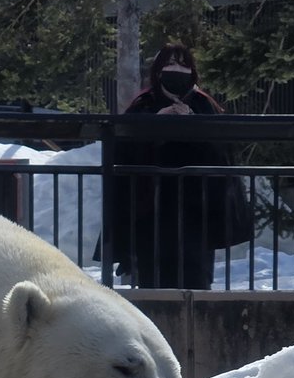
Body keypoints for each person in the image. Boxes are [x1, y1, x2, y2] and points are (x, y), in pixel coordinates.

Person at [103, 42, 252, 289]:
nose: (177, 71)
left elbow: (222, 157)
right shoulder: (143, 105)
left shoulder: (205, 105)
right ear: (158, 70)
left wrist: (192, 124)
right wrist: (154, 126)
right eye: (170, 64)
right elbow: (123, 154)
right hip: (150, 213)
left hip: (196, 215)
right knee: (152, 283)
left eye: (183, 65)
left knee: (195, 282)